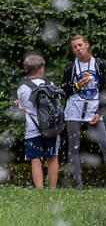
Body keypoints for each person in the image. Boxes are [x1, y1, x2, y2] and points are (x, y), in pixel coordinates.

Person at [61, 34, 106, 189]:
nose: (78, 49)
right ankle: (78, 183)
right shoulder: (71, 67)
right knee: (73, 148)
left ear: (87, 45)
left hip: (93, 111)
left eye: (80, 45)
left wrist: (100, 111)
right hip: (74, 112)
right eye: (74, 47)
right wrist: (76, 87)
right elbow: (64, 91)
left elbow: (104, 89)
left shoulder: (99, 65)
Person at [17, 55, 59, 189]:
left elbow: (25, 112)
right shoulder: (50, 85)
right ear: (41, 69)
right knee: (52, 158)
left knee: (35, 159)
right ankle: (52, 189)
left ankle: (40, 190)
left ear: (26, 70)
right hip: (50, 128)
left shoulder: (22, 89)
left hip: (32, 129)